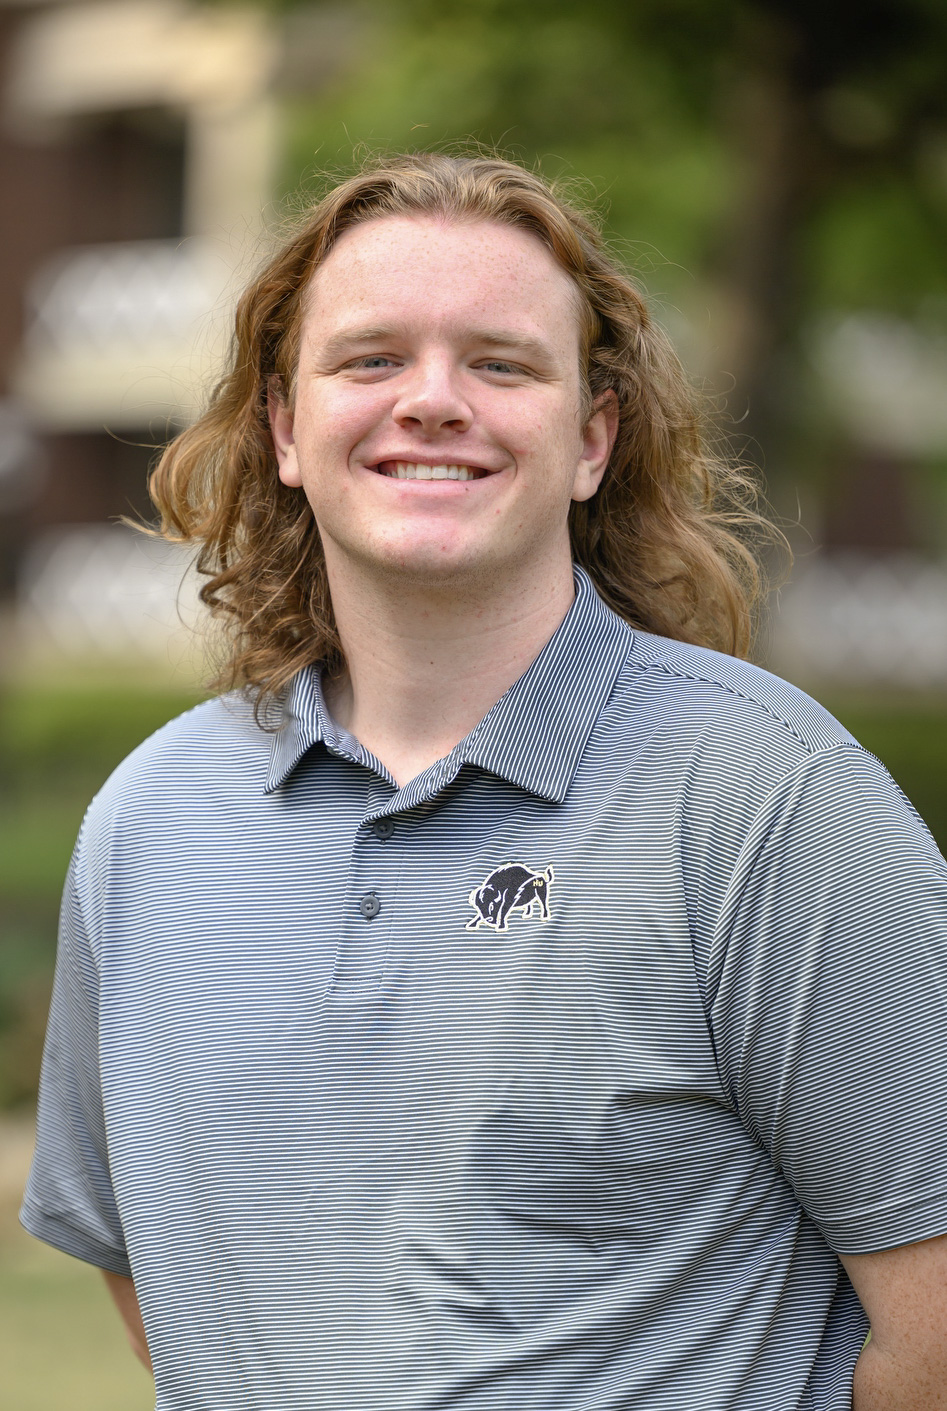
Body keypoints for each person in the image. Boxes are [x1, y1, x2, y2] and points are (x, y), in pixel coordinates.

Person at [21, 152, 947, 1410]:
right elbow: (167, 1282)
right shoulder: (150, 821)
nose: (432, 402)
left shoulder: (768, 800)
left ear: (590, 440)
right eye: (370, 360)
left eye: (501, 364)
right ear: (287, 431)